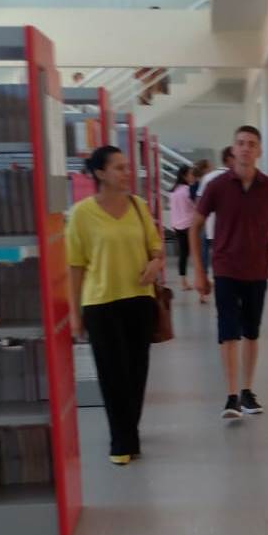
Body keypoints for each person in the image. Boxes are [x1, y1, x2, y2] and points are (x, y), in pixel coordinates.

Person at [191, 126, 268, 419]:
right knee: (228, 332)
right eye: (240, 143)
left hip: (256, 270)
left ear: (259, 150)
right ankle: (231, 396)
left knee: (251, 332)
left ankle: (247, 391)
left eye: (251, 144)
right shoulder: (217, 185)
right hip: (225, 268)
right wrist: (199, 270)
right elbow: (195, 224)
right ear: (233, 149)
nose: (245, 148)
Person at [66, 146, 163, 466]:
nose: (126, 173)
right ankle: (121, 442)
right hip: (101, 304)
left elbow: (156, 249)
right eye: (119, 168)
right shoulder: (81, 214)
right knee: (112, 374)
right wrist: (74, 314)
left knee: (136, 373)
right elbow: (75, 267)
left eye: (127, 167)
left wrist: (155, 265)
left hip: (139, 301)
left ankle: (128, 431)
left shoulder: (139, 207)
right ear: (100, 173)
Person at [196, 148, 234, 303]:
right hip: (229, 231)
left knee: (207, 259)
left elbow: (199, 203)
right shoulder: (237, 177)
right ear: (229, 159)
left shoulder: (207, 178)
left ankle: (203, 293)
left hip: (210, 227)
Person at [169, 164, 195, 291]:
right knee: (197, 253)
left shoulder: (173, 191)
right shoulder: (188, 190)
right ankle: (200, 278)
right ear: (185, 176)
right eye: (191, 174)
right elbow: (195, 206)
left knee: (183, 254)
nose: (192, 176)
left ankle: (183, 282)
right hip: (189, 225)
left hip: (177, 226)